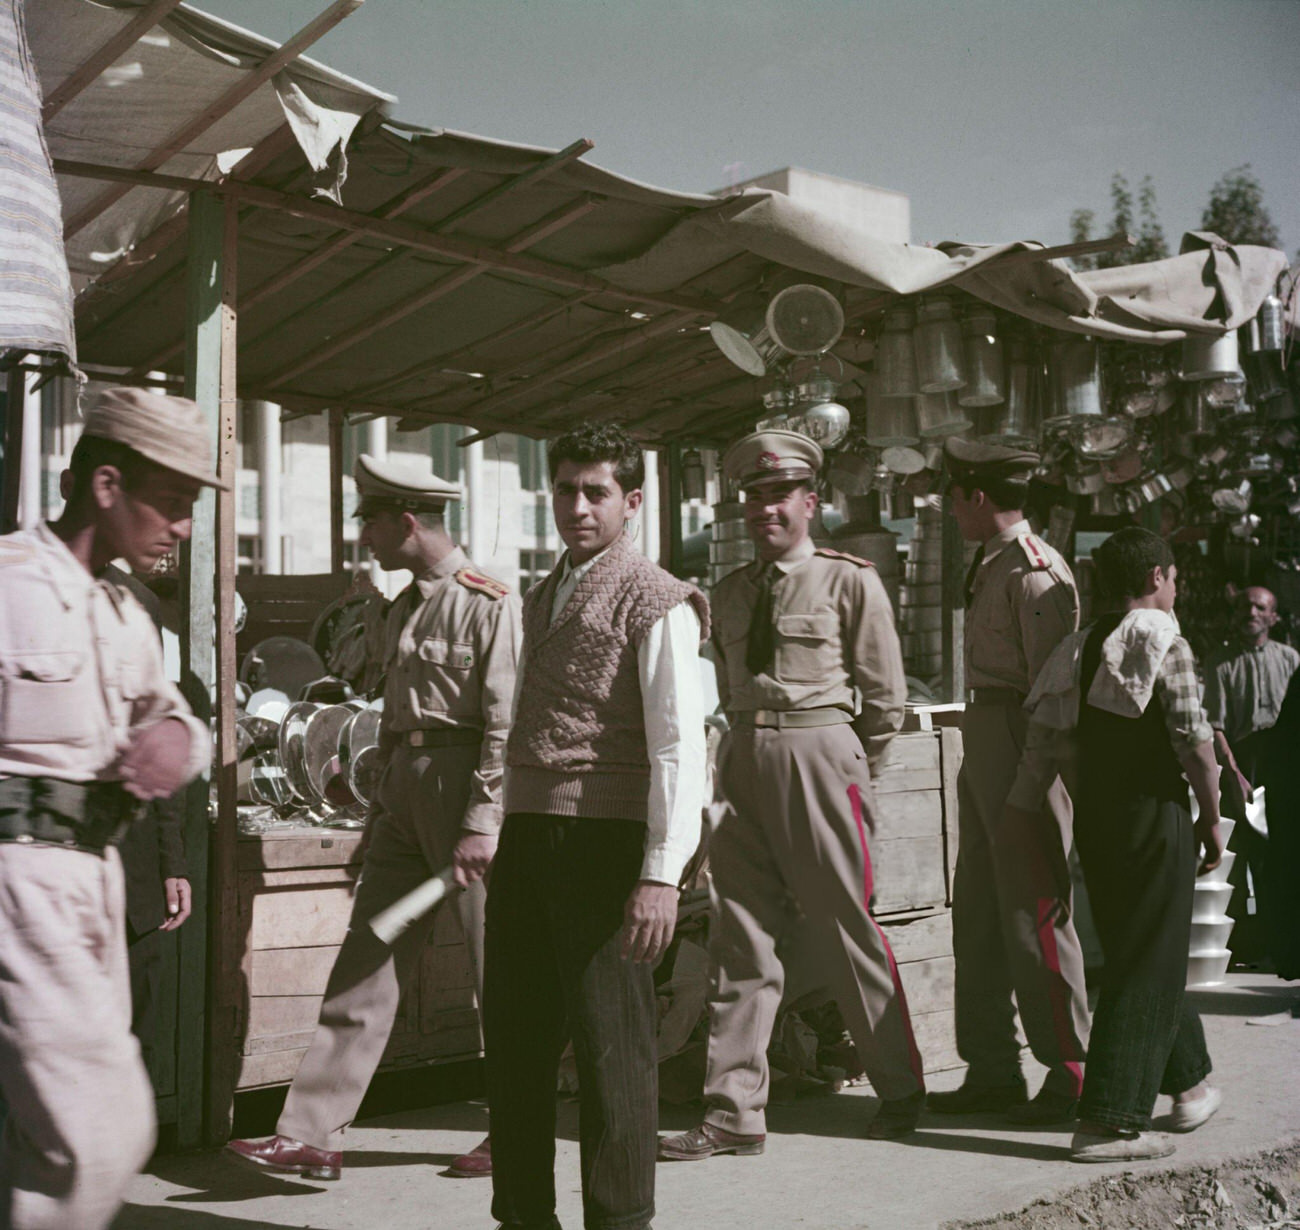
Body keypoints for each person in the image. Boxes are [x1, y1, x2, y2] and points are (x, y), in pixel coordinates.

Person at [228, 453, 520, 1183]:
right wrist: (381, 808)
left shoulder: (489, 603)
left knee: (501, 971)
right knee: (368, 958)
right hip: (405, 793)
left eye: (370, 519)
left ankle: (520, 1127)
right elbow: (391, 716)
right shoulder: (401, 606)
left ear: (407, 521)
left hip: (466, 788)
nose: (363, 534)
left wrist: (483, 820)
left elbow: (505, 724)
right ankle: (311, 1134)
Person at [658, 428, 925, 1161]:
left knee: (849, 930)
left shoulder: (850, 581)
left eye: (778, 495)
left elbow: (885, 702)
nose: (764, 509)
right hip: (743, 755)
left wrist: (844, 767)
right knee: (738, 937)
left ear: (813, 501)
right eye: (752, 496)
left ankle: (900, 1090)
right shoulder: (730, 592)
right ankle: (732, 1112)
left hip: (820, 752)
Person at [0, 387, 216, 1230]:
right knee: (97, 1135)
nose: (182, 526)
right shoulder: (9, 583)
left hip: (94, 881)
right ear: (106, 486)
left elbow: (176, 718)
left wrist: (174, 738)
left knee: (87, 1130)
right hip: (16, 879)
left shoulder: (132, 613)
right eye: (173, 502)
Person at [485, 422, 707, 1230]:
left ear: (632, 502)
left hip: (606, 850)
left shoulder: (656, 598)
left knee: (615, 1059)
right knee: (514, 1047)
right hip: (528, 838)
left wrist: (659, 875)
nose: (577, 507)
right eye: (565, 490)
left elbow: (680, 747)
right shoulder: (543, 593)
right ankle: (522, 1218)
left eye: (596, 492)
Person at [1009, 526, 1224, 1161]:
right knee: (1145, 957)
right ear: (1157, 575)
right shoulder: (1165, 641)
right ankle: (1107, 1121)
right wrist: (1211, 816)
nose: (1175, 586)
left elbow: (1044, 742)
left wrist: (1021, 813)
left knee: (1145, 949)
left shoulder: (1076, 649)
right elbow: (1193, 741)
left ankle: (1191, 1087)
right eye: (1175, 576)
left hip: (1098, 824)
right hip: (1154, 817)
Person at [927, 438, 1089, 1126]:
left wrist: (1031, 782)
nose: (946, 508)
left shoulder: (1033, 573)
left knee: (1035, 911)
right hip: (985, 735)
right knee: (982, 915)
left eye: (952, 495)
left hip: (1023, 742)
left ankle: (1073, 1068)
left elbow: (1056, 693)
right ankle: (993, 1067)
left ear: (977, 496)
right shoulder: (993, 563)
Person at [1202, 586, 1299, 966]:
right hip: (1240, 762)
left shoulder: (1290, 659)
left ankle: (1282, 940)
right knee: (1240, 853)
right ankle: (1244, 943)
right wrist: (1234, 772)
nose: (1251, 612)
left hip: (1283, 762)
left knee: (1282, 851)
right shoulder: (1220, 661)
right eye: (1244, 606)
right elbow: (1215, 724)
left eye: (1260, 607)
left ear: (1274, 617)